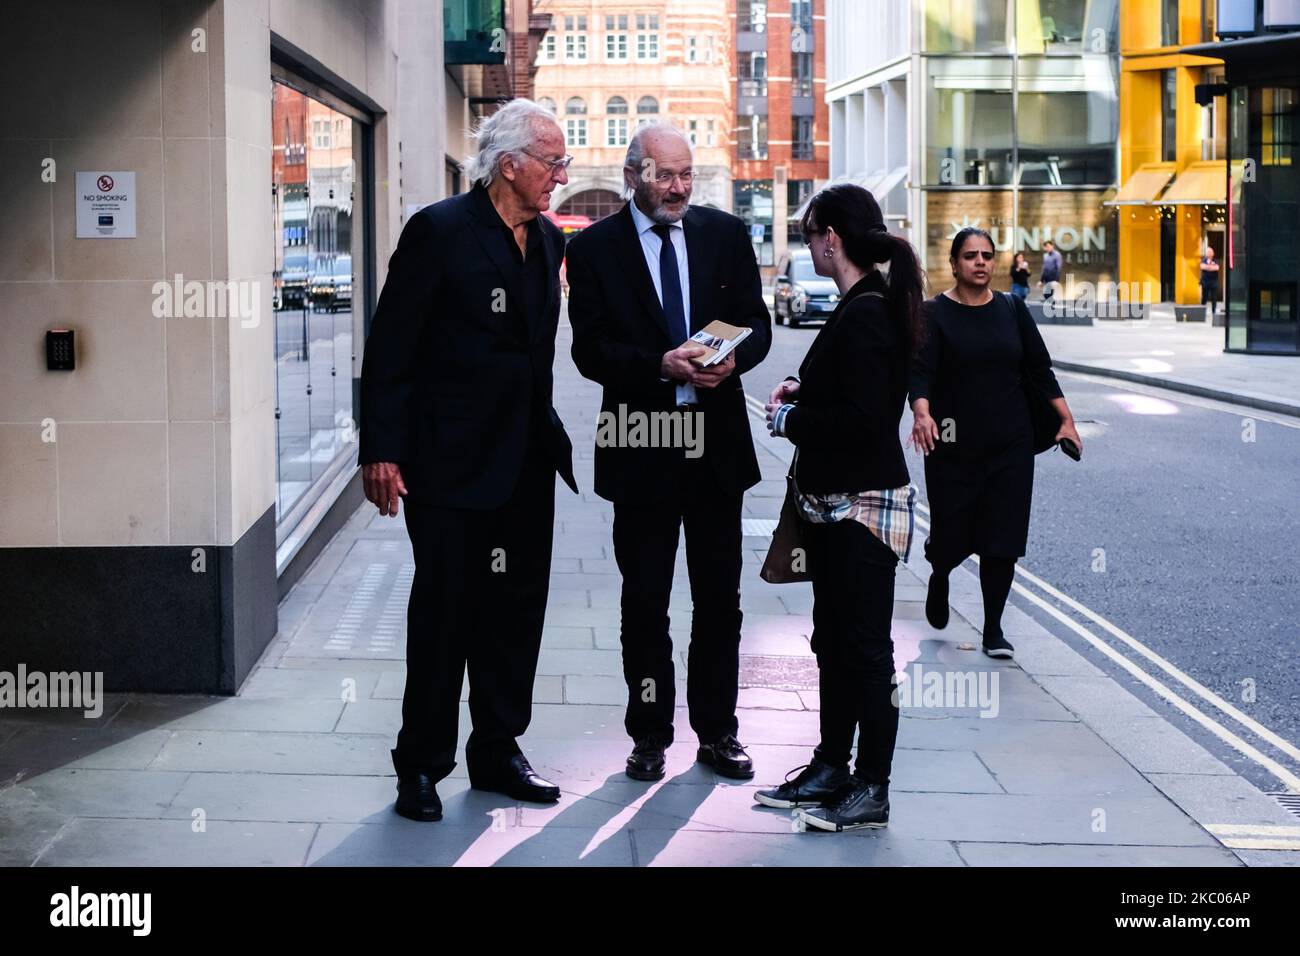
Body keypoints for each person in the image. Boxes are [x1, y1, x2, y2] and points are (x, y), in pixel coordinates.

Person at [358, 100, 579, 822]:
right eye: (552, 160)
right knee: (445, 615)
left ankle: (497, 749)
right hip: (448, 467)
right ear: (509, 163)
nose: (561, 173)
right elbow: (392, 347)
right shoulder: (440, 232)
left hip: (524, 464)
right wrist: (382, 448)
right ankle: (420, 763)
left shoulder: (547, 240)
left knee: (515, 613)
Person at [566, 122, 772, 783]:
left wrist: (730, 362)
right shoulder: (596, 249)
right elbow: (588, 350)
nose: (678, 187)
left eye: (686, 174)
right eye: (664, 175)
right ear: (633, 176)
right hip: (643, 446)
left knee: (719, 600)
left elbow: (756, 325)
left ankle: (718, 733)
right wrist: (659, 365)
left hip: (715, 447)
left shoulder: (726, 235)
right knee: (645, 600)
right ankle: (650, 735)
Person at [757, 184, 925, 832]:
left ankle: (871, 787)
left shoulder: (868, 310)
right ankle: (831, 766)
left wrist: (789, 416)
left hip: (862, 508)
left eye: (809, 234)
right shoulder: (865, 304)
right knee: (834, 641)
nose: (809, 245)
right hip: (839, 507)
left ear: (833, 236)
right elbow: (859, 389)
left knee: (865, 651)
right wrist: (807, 387)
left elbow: (858, 422)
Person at [908, 228, 1082, 660]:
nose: (980, 262)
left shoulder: (1012, 308)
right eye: (970, 256)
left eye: (987, 255)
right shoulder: (933, 314)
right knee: (951, 533)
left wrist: (1067, 421)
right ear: (954, 264)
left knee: (1002, 537)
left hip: (1011, 442)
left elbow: (1040, 369)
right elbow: (921, 372)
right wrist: (922, 412)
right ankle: (941, 570)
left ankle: (993, 629)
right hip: (953, 446)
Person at [1200, 246, 1221, 314]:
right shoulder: (1203, 260)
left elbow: (1217, 268)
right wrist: (1211, 267)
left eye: (1210, 252)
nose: (1209, 253)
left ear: (1213, 253)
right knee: (1204, 296)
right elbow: (1202, 267)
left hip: (1213, 282)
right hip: (1205, 281)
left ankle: (1214, 310)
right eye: (1208, 252)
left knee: (1214, 297)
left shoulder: (1215, 260)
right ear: (1206, 253)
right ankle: (1202, 310)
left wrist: (1208, 267)